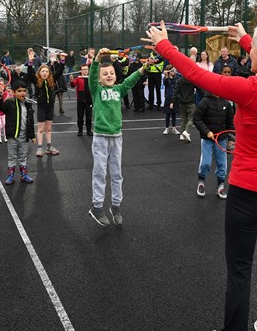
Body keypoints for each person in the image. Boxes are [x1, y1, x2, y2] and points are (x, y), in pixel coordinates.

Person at [144, 19, 257, 331]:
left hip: (248, 192)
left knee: (240, 270)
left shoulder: (253, 89)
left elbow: (201, 77)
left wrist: (164, 46)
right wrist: (246, 38)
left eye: (255, 49)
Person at [88, 48, 152, 227]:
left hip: (117, 137)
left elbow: (130, 81)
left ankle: (116, 205)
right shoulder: (97, 90)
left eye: (111, 73)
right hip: (101, 137)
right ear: (100, 78)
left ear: (115, 75)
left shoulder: (119, 89)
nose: (108, 75)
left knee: (117, 173)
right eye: (105, 74)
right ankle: (97, 206)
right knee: (100, 172)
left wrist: (142, 68)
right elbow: (93, 75)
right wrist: (97, 60)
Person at [193, 67, 235, 199]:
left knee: (222, 164)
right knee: (205, 162)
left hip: (222, 138)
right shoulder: (205, 102)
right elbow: (197, 118)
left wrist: (231, 138)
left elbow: (230, 122)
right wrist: (207, 132)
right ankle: (201, 182)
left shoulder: (227, 103)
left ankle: (221, 186)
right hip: (207, 138)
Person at [0, 80, 36, 185]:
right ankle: (11, 176)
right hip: (12, 136)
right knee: (12, 156)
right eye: (19, 91)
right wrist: (0, 96)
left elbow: (30, 121)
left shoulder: (28, 105)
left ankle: (24, 175)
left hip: (24, 136)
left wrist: (32, 135)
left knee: (23, 156)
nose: (22, 93)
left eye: (24, 91)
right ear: (13, 92)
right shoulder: (9, 103)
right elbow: (0, 107)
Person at [27, 61, 59, 157]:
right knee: (41, 129)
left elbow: (60, 72)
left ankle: (49, 147)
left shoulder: (52, 80)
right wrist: (30, 62)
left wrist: (62, 62)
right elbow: (30, 73)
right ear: (39, 73)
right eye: (43, 71)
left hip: (50, 106)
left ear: (49, 73)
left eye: (46, 71)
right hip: (41, 107)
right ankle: (39, 148)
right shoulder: (37, 82)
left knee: (48, 129)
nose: (45, 73)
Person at [70, 64, 92, 136]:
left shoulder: (90, 78)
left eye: (86, 69)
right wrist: (71, 80)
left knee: (89, 116)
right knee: (80, 116)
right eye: (84, 69)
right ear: (81, 71)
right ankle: (80, 130)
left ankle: (89, 130)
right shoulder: (78, 78)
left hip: (89, 100)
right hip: (80, 100)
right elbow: (73, 85)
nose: (85, 71)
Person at [173, 74, 196, 142]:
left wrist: (173, 101)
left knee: (183, 119)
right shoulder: (192, 80)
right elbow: (200, 89)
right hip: (191, 102)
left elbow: (176, 92)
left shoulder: (179, 80)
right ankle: (186, 131)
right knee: (192, 118)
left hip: (182, 102)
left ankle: (182, 135)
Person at [162, 65, 181, 135]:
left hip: (175, 97)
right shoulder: (165, 78)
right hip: (168, 97)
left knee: (174, 113)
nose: (174, 72)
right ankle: (167, 128)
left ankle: (174, 128)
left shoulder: (177, 77)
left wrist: (175, 72)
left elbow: (181, 77)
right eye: (172, 71)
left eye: (174, 70)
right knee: (168, 113)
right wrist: (167, 76)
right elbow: (165, 83)